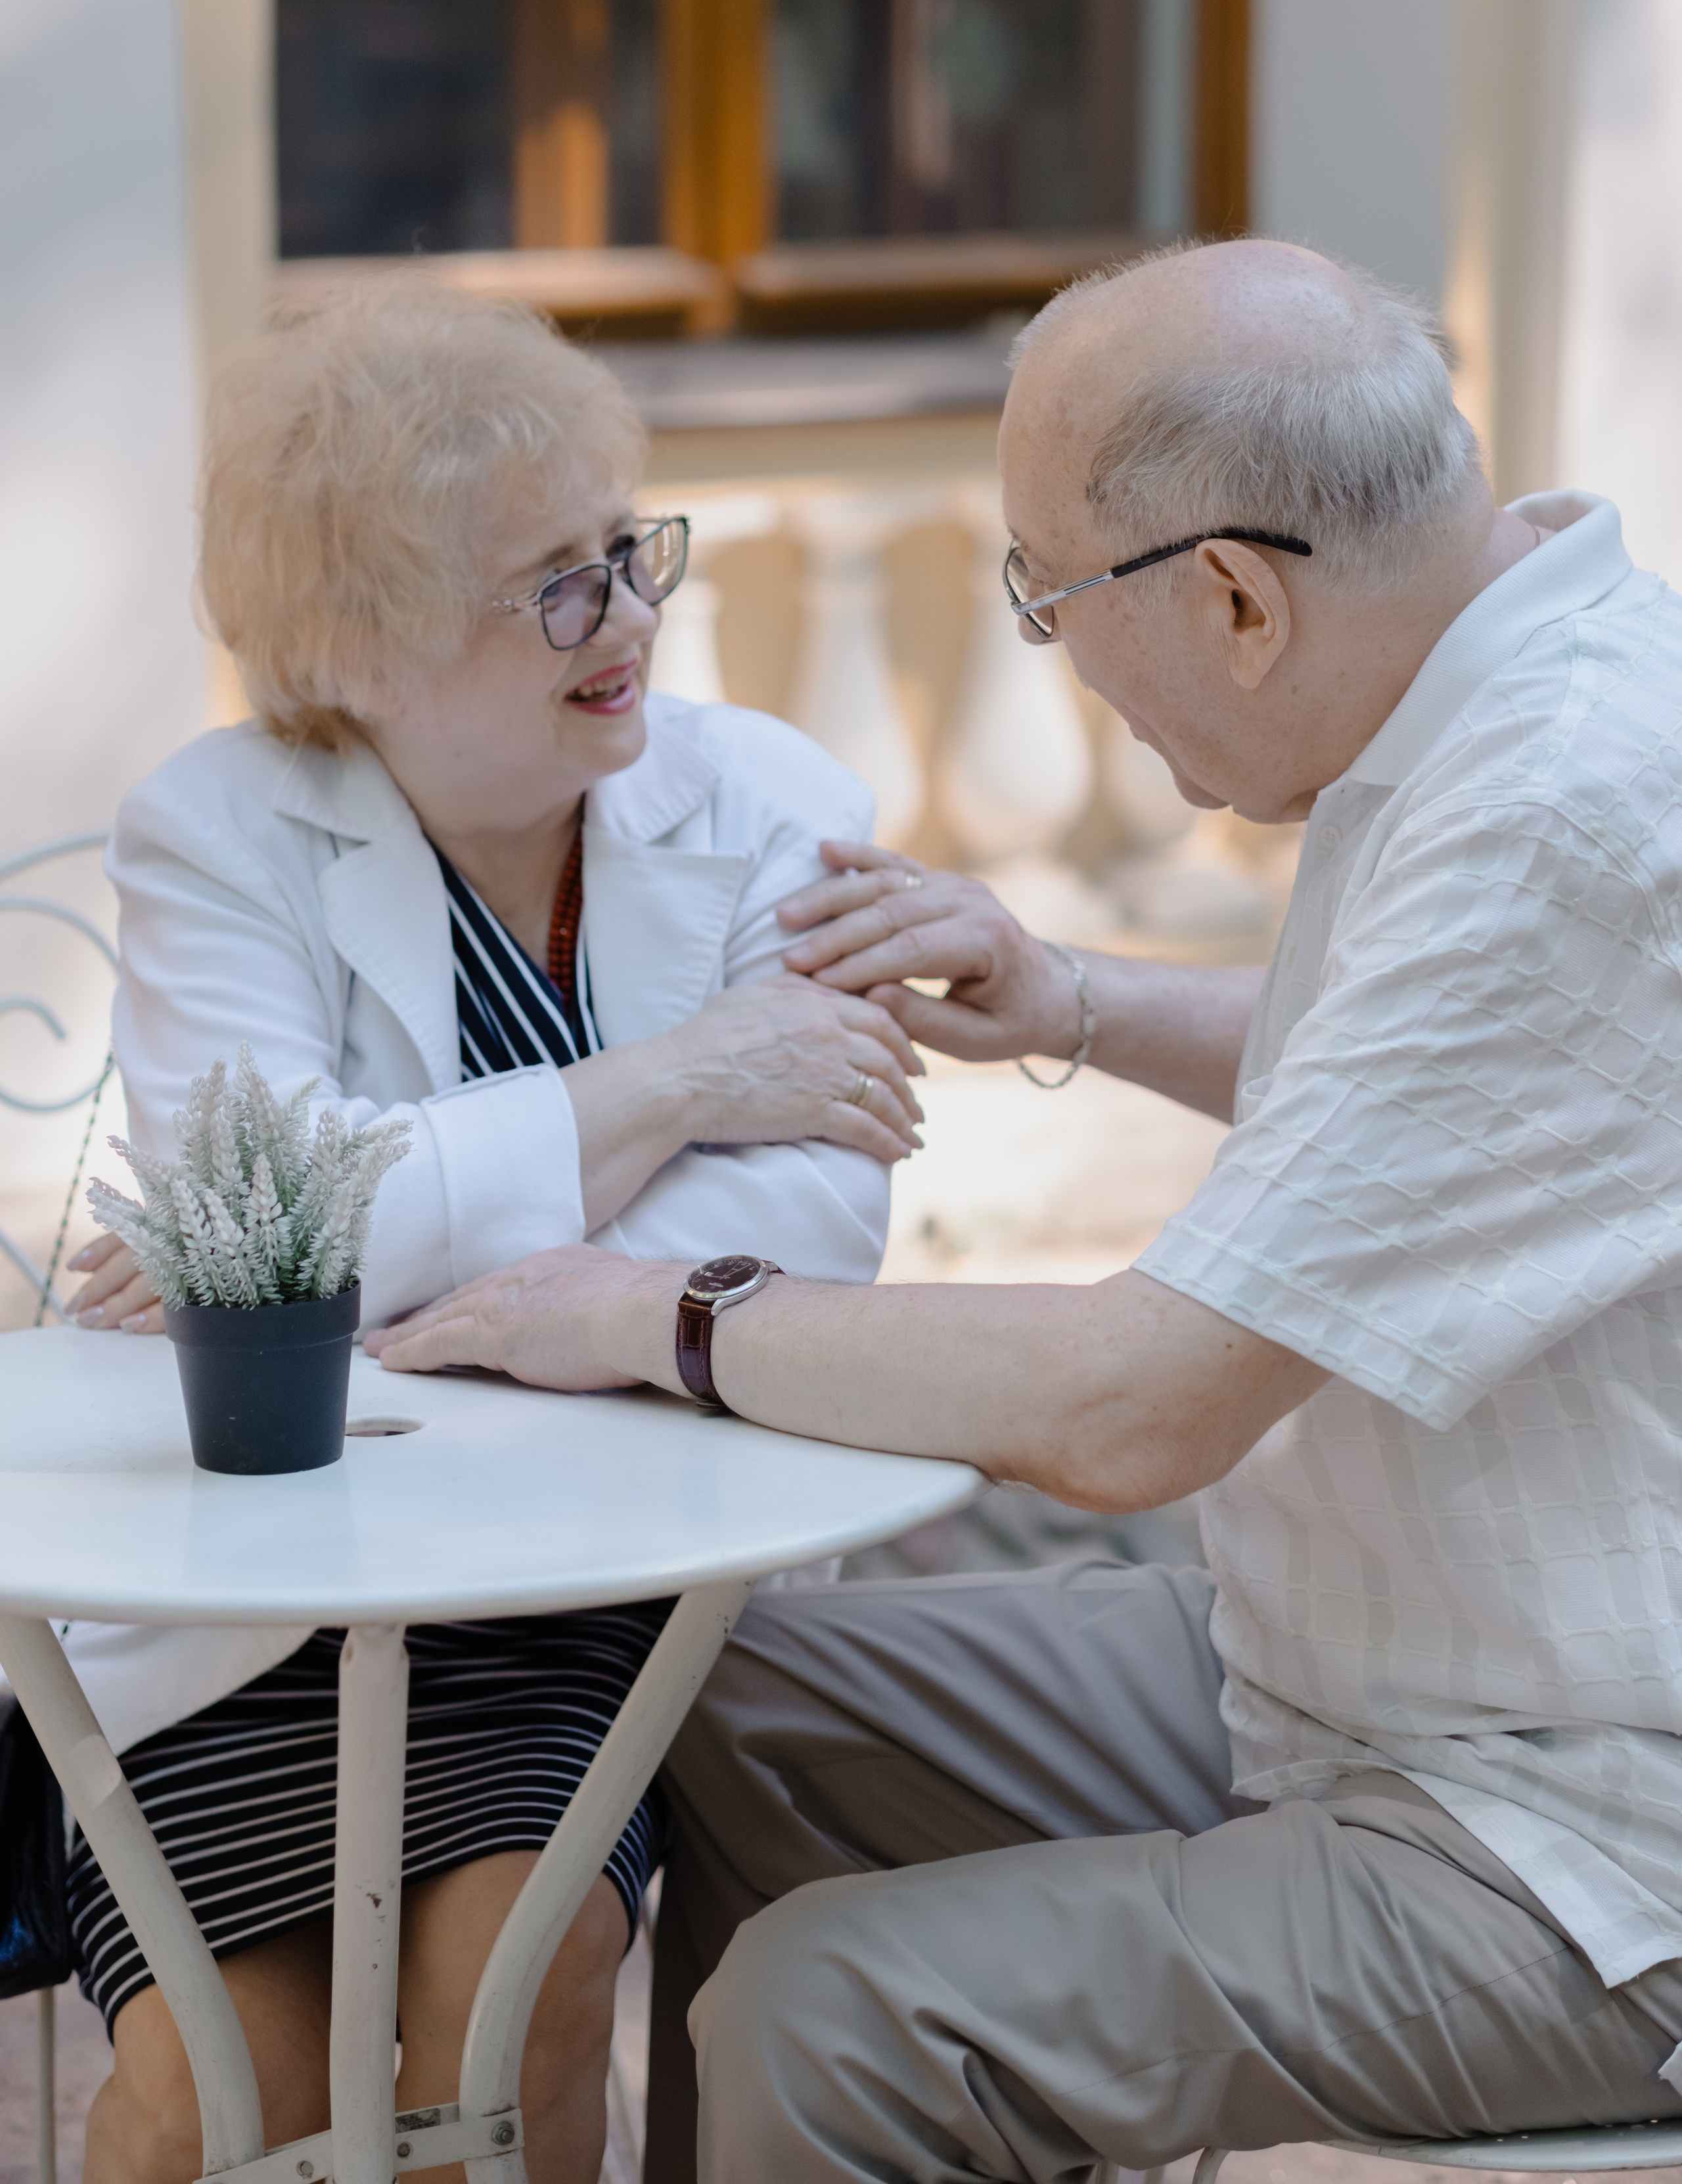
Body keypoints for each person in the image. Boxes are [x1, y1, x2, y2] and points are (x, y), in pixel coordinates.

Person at [378, 238, 1682, 2184]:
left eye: (1051, 596)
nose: (1051, 647)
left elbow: (1133, 1403)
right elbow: (1435, 1075)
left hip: (1582, 1840)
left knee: (832, 2017)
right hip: (1371, 1668)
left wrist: (660, 1312)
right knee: (724, 1702)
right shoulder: (1512, 673)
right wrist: (1071, 998)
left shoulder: (1563, 808)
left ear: (1236, 598)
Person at [59, 277, 921, 2184]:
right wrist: (688, 1080)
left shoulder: (779, 802)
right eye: (554, 584)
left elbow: (802, 1235)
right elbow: (266, 1232)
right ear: (357, 642)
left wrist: (363, 1263)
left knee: (512, 1993)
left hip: (582, 1584)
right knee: (226, 2096)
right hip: (248, 1598)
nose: (627, 620)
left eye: (626, 551)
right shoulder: (213, 833)